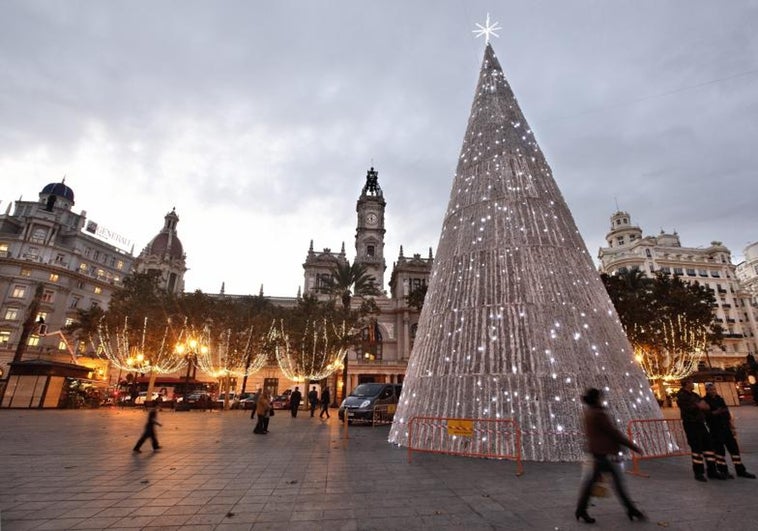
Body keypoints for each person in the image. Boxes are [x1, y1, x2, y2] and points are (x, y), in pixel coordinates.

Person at [575, 388, 645, 524]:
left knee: (593, 483)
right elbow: (613, 432)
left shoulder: (588, 412)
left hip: (597, 453)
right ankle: (631, 510)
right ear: (596, 398)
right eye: (600, 397)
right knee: (617, 483)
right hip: (602, 454)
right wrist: (633, 446)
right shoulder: (598, 414)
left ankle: (581, 510)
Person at [676, 379, 725, 481]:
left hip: (700, 423)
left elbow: (705, 405)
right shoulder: (681, 395)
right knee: (696, 448)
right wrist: (698, 406)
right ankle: (698, 472)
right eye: (691, 382)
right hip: (691, 424)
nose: (693, 384)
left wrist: (701, 406)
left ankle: (712, 470)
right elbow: (690, 408)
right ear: (686, 384)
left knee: (708, 445)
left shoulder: (694, 395)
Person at [703, 383, 756, 479]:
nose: (713, 391)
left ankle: (740, 470)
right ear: (707, 390)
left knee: (734, 449)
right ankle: (723, 471)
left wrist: (731, 425)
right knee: (720, 452)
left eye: (714, 389)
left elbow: (726, 411)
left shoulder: (719, 399)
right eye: (711, 389)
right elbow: (706, 415)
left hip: (726, 428)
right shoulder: (705, 401)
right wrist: (715, 413)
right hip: (715, 429)